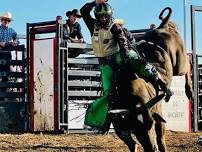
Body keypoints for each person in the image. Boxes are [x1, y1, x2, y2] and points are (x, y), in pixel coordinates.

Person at [80, 0, 172, 132]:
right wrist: (96, 2)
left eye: (106, 15)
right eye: (101, 16)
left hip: (117, 56)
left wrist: (124, 59)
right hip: (105, 64)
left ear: (110, 15)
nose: (104, 18)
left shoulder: (115, 27)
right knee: (108, 94)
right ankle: (101, 122)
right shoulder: (93, 25)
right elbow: (83, 11)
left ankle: (160, 82)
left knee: (135, 59)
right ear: (96, 16)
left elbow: (123, 44)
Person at [0, 12, 18, 100]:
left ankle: (2, 97)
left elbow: (16, 38)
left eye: (8, 20)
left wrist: (15, 42)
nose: (6, 21)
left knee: (5, 75)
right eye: (4, 20)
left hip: (7, 54)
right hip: (0, 53)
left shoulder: (12, 30)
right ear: (1, 20)